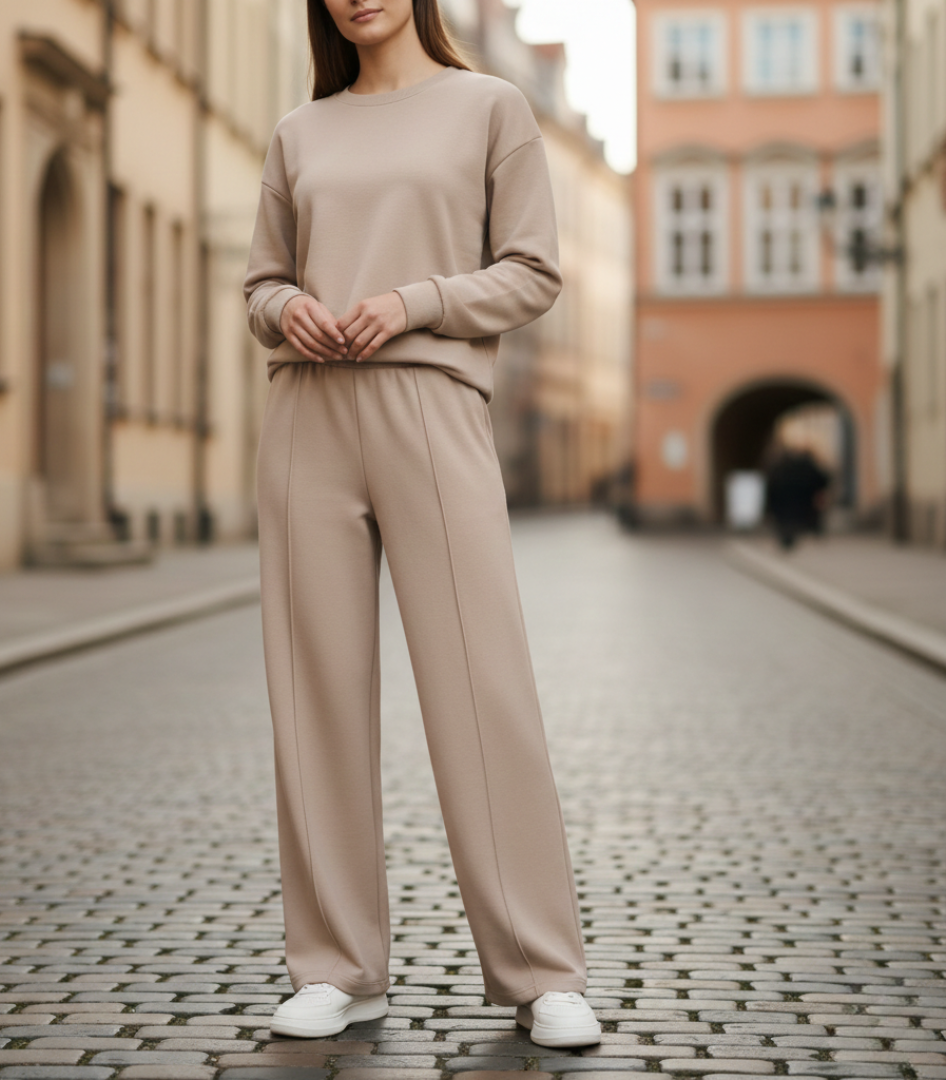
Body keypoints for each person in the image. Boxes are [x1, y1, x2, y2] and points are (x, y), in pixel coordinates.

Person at [242, 0, 600, 1050]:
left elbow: (532, 270)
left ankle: (542, 971)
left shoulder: (491, 108)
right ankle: (337, 967)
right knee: (314, 695)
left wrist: (413, 302)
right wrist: (282, 310)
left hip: (433, 407)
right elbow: (260, 278)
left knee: (480, 686)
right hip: (307, 412)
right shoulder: (299, 132)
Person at [764, 441, 831, 550]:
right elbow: (821, 480)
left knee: (786, 520)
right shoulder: (806, 465)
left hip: (784, 503)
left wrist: (769, 507)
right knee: (801, 518)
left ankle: (788, 537)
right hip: (801, 502)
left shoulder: (779, 467)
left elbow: (771, 486)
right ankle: (812, 531)